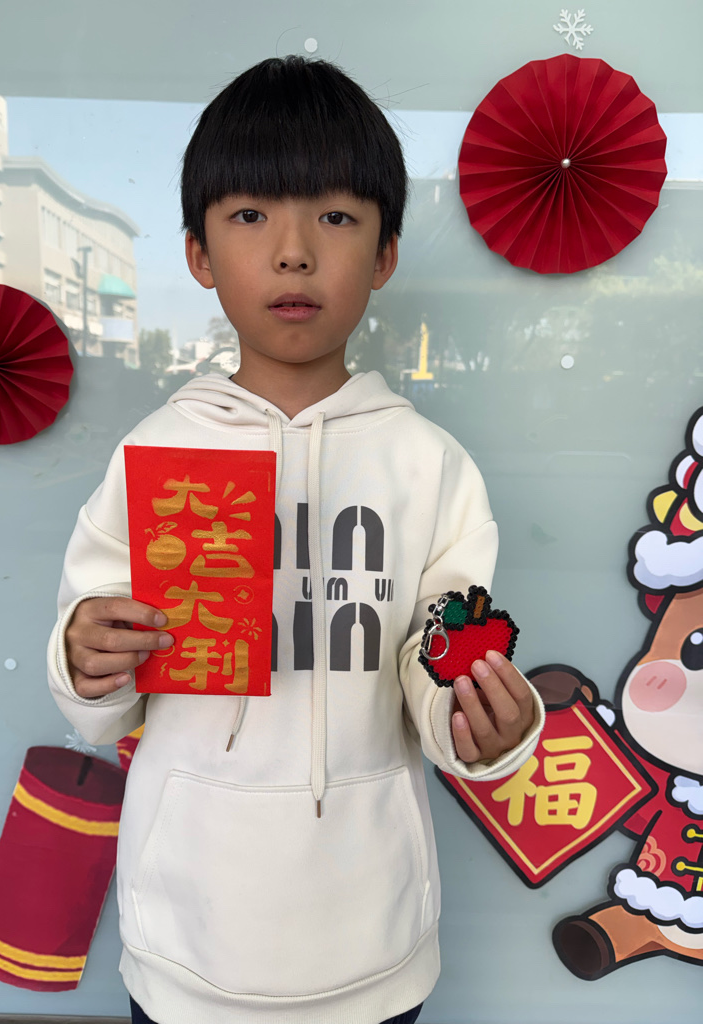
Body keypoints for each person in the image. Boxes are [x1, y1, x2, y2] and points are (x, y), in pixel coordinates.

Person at [48, 55, 545, 1024]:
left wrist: (479, 720)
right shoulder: (155, 452)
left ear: (385, 254)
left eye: (336, 217)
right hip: (188, 936)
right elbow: (97, 693)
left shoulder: (429, 466)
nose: (292, 252)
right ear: (198, 254)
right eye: (249, 214)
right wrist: (86, 654)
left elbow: (439, 650)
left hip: (372, 934)